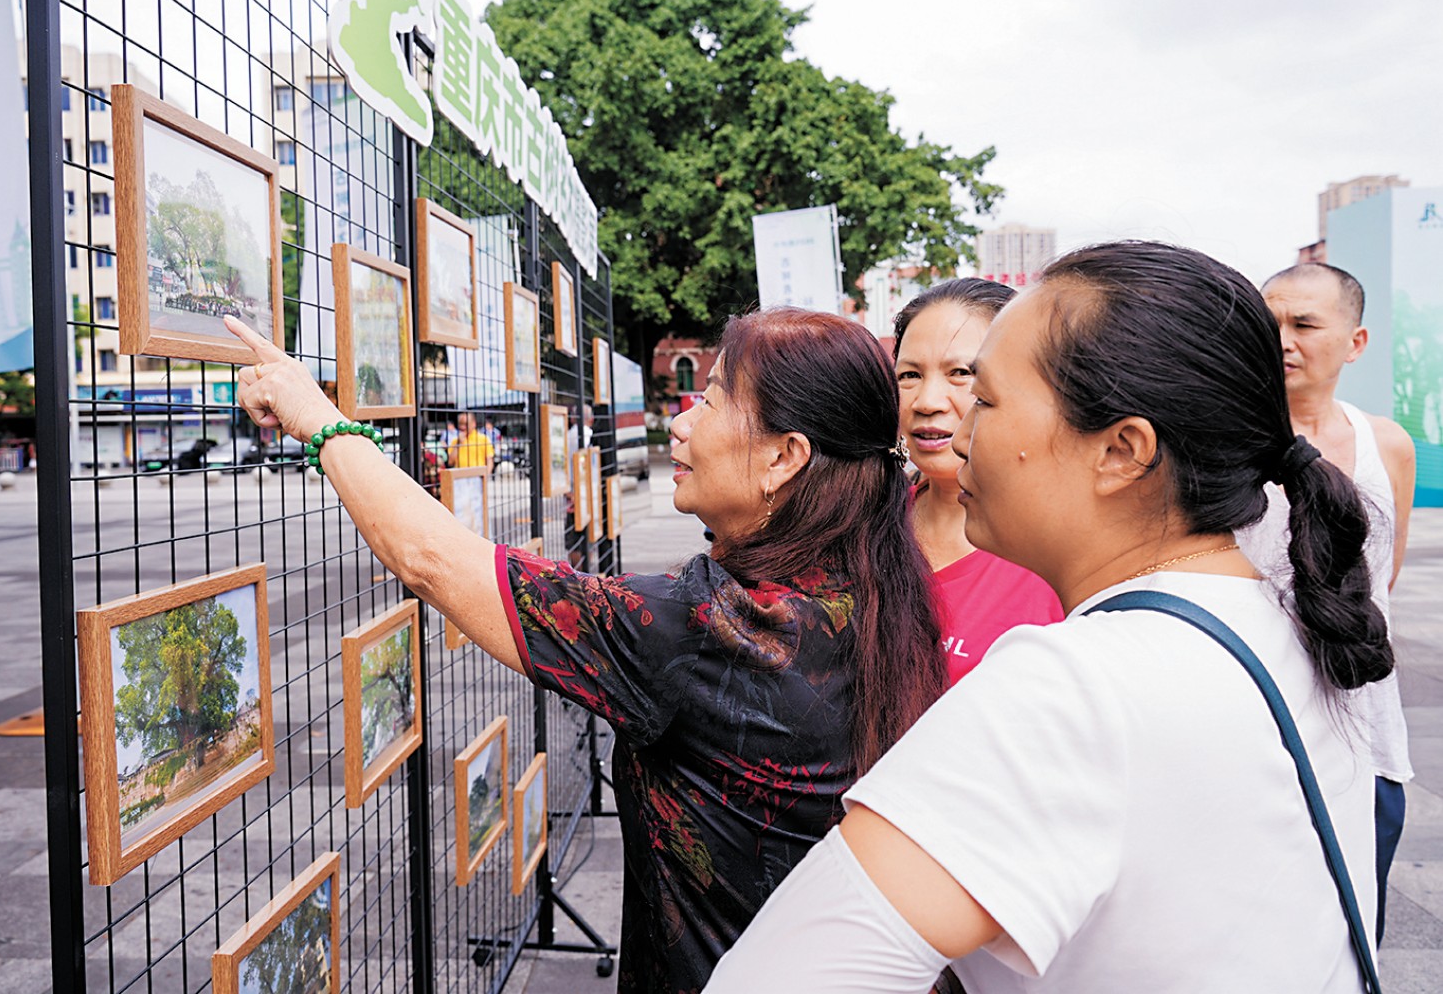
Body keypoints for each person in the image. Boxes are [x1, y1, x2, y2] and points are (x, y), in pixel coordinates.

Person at [704, 241, 1391, 993]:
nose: (958, 433)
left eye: (986, 399)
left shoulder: (1070, 690)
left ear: (1122, 451)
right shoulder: (1295, 621)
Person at [223, 308, 947, 993]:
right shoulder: (872, 582)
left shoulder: (717, 631)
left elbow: (432, 559)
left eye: (714, 401)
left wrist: (316, 418)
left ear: (785, 458)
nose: (681, 421)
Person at [1237, 261, 1416, 944]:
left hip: (1368, 741)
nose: (1283, 341)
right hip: (1257, 743)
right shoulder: (1224, 450)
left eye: (1305, 325)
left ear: (1356, 342)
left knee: (1356, 938)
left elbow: (1383, 581)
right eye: (1270, 323)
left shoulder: (1388, 445)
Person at [894, 280, 1062, 682]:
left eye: (961, 373)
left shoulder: (1058, 559)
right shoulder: (861, 523)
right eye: (910, 374)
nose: (928, 401)